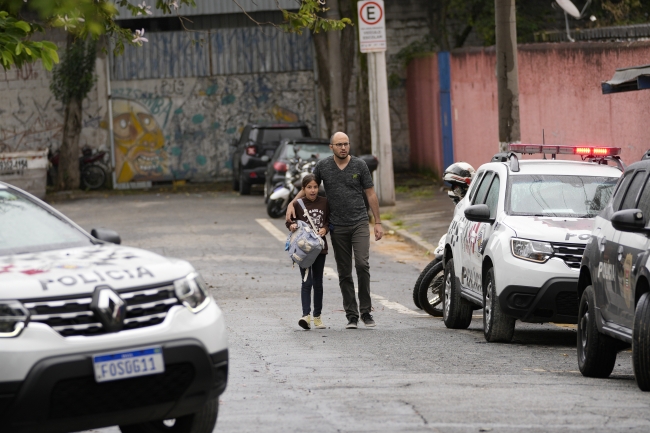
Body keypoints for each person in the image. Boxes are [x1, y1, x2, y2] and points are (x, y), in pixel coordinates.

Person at [286, 131, 383, 329]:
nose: (343, 148)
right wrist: (292, 202)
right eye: (339, 144)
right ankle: (352, 315)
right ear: (331, 147)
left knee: (362, 265)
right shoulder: (323, 166)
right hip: (337, 226)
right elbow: (308, 186)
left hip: (359, 222)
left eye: (346, 144)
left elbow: (371, 193)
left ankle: (366, 311)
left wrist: (378, 222)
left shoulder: (359, 165)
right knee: (344, 272)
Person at [286, 174, 330, 330]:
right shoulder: (297, 204)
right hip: (303, 250)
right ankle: (306, 316)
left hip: (319, 248)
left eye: (315, 187)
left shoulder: (324, 202)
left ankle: (317, 317)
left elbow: (328, 220)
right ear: (303, 189)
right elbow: (289, 221)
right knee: (306, 281)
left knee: (318, 282)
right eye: (309, 187)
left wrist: (325, 228)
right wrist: (291, 226)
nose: (312, 190)